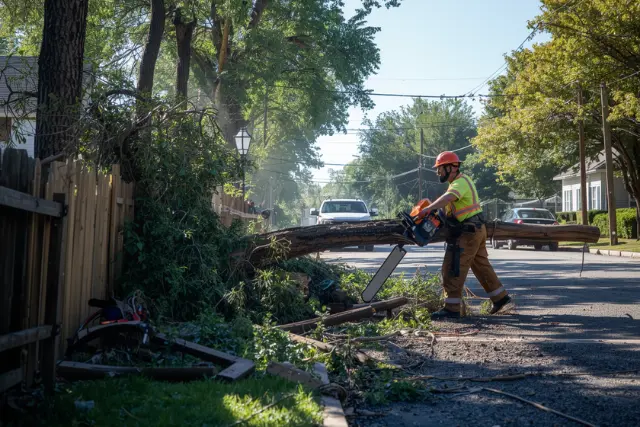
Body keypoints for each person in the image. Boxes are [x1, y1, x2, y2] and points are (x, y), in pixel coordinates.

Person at [414, 151, 512, 319]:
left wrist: (427, 210)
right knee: (481, 267)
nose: (438, 173)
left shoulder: (460, 183)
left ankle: (451, 309)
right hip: (475, 230)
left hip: (469, 232)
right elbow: (451, 209)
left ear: (451, 167)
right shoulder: (459, 182)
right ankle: (500, 298)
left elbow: (450, 197)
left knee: (452, 267)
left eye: (440, 169)